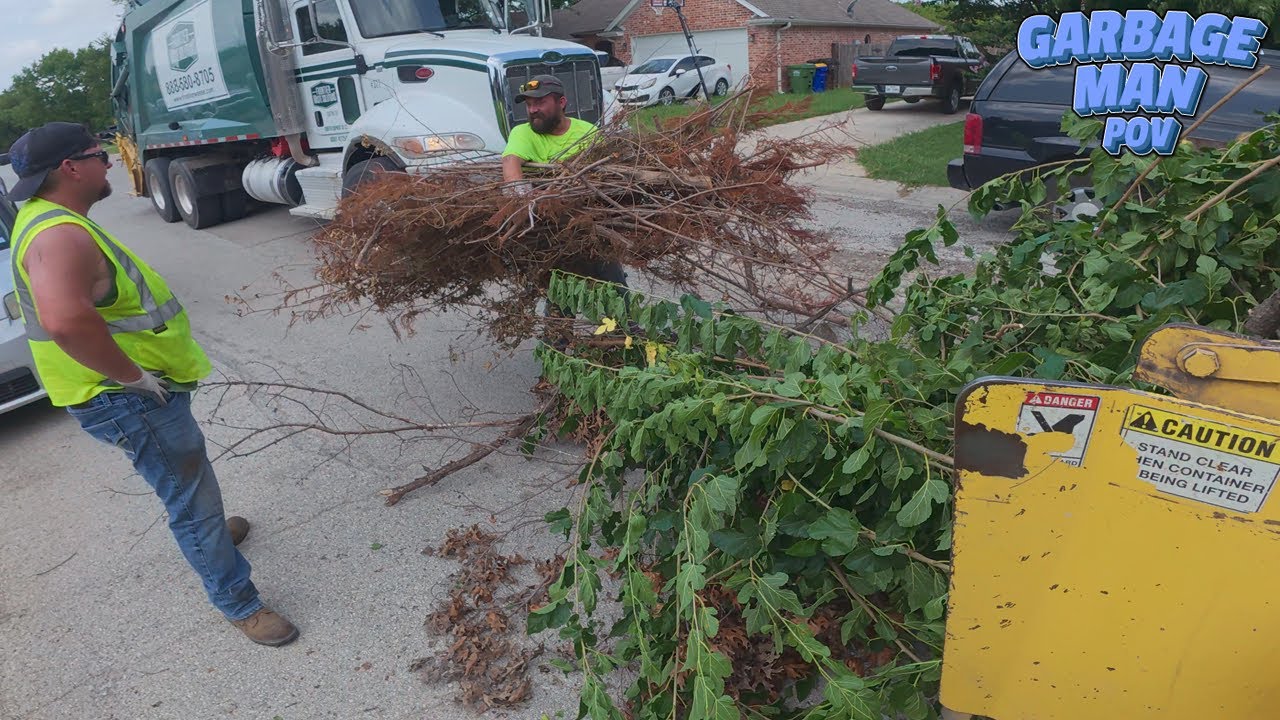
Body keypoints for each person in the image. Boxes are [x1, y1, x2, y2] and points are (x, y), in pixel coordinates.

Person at [6, 122, 298, 647]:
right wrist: (134, 378)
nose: (111, 162)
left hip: (119, 392)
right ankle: (239, 603)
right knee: (189, 499)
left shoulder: (45, 218)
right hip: (124, 396)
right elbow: (65, 321)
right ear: (70, 168)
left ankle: (211, 536)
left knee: (189, 485)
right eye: (98, 155)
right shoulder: (58, 234)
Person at [503, 75, 627, 291]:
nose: (533, 110)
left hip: (590, 222)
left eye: (540, 103)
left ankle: (624, 322)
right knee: (562, 284)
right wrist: (523, 200)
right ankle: (559, 325)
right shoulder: (523, 133)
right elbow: (511, 162)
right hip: (550, 226)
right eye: (529, 104)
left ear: (561, 103)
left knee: (609, 272)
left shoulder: (588, 133)